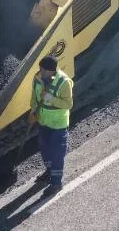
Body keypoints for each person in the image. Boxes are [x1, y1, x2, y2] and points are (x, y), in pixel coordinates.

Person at [28, 56, 73, 195]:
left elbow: (68, 104)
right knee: (45, 149)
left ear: (51, 71)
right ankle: (49, 172)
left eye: (43, 70)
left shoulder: (64, 82)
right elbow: (34, 96)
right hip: (43, 121)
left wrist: (50, 98)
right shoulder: (37, 78)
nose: (40, 71)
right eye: (40, 68)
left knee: (57, 154)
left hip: (58, 125)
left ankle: (56, 183)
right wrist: (33, 111)